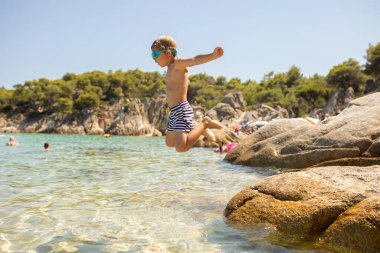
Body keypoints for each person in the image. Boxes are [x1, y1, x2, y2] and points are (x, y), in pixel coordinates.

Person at [151, 35, 224, 152]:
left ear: (168, 53)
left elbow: (195, 60)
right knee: (169, 143)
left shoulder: (178, 64)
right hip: (173, 111)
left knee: (181, 148)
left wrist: (213, 55)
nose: (153, 58)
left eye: (155, 55)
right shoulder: (170, 67)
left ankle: (205, 124)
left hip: (181, 109)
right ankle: (198, 128)